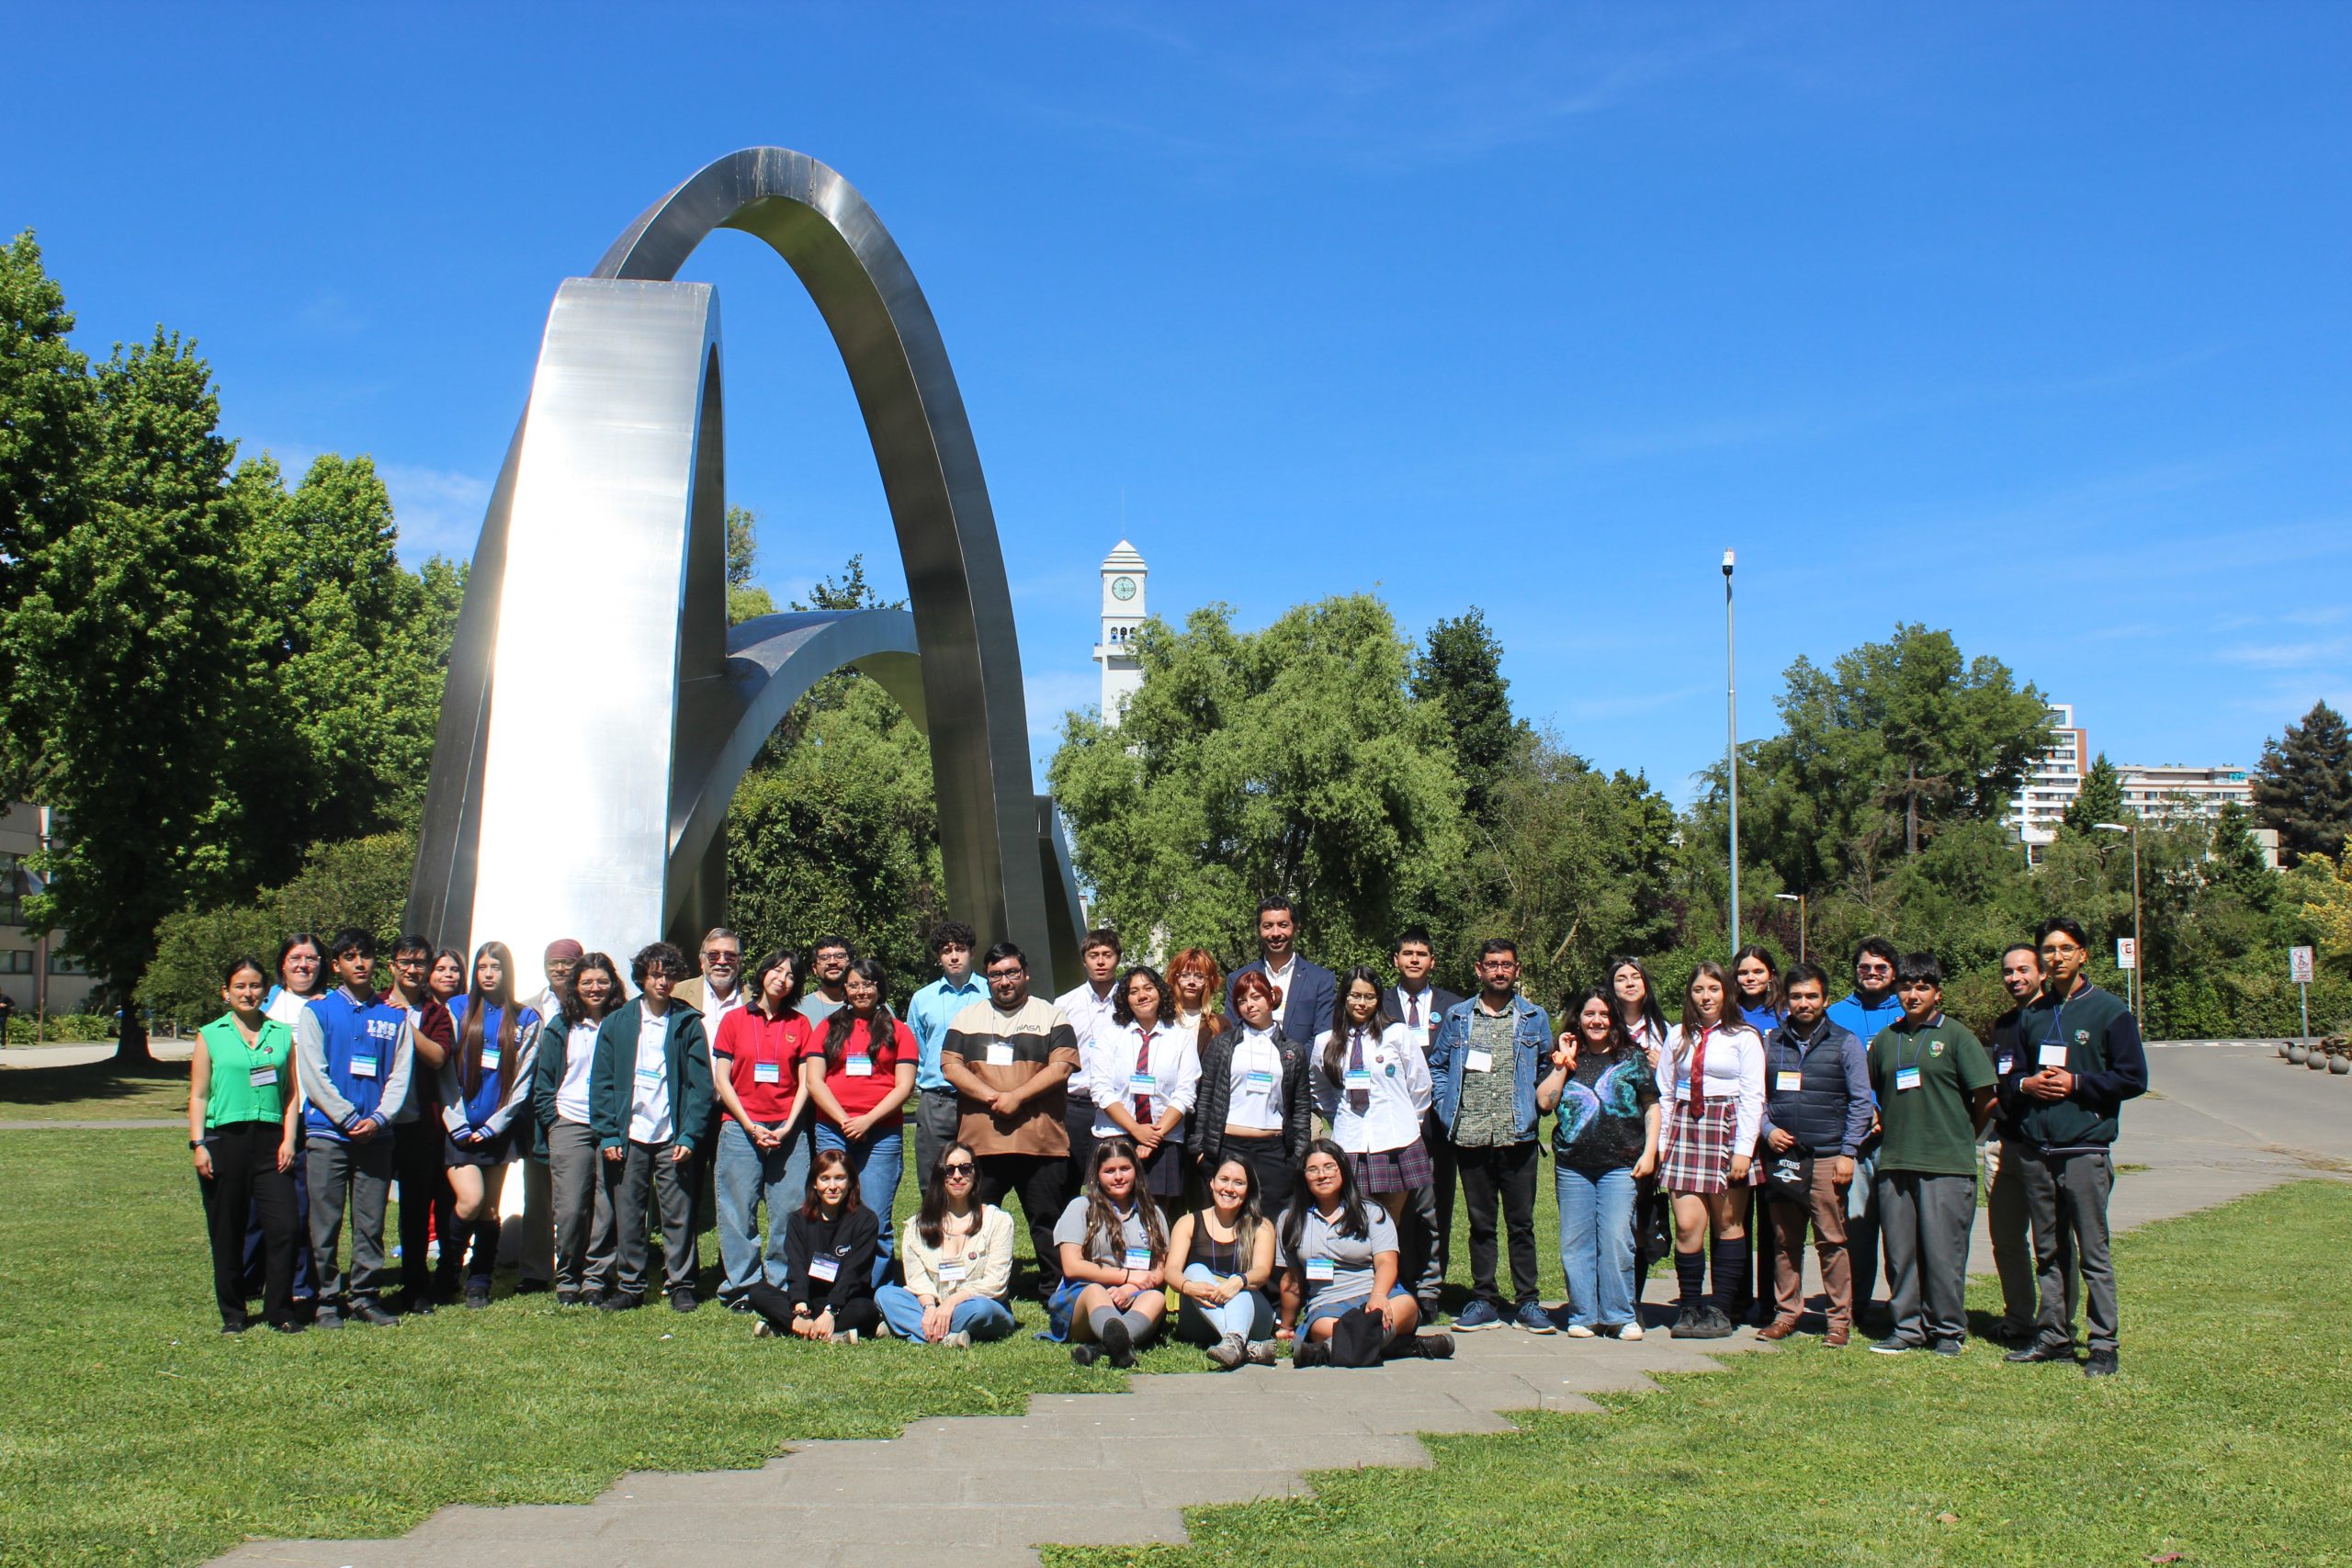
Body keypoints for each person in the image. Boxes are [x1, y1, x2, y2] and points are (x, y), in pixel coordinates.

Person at [2002, 916, 2149, 1378]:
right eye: (2049, 950)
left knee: (2093, 1253)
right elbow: (2010, 1076)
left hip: (2085, 1150)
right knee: (2048, 1251)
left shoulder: (2109, 1011)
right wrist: (2026, 1084)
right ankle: (2054, 1337)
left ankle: (2103, 1344)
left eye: (2066, 949)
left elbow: (2133, 1078)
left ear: (2083, 955)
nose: (2057, 957)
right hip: (2037, 1150)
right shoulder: (2033, 1014)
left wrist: (2078, 1084)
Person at [1867, 953, 1996, 1358]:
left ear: (1937, 993)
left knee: (1943, 1253)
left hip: (1947, 1164)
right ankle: (1907, 1327)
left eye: (1922, 987)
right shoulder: (1885, 1039)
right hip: (1895, 1162)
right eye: (1906, 987)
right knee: (1900, 1252)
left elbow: (1986, 1099)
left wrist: (1962, 1136)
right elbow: (1875, 1095)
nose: (1913, 994)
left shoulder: (1957, 1037)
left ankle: (1947, 1330)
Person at [941, 942, 1081, 1298]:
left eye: (1011, 973)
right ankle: (968, 1289)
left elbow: (1062, 1067)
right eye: (996, 975)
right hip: (982, 1143)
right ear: (987, 978)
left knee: (1048, 1222)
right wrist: (992, 1097)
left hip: (1040, 1142)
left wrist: (1017, 1097)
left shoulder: (1052, 1016)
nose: (1004, 981)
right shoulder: (967, 1017)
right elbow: (950, 1066)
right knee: (973, 1220)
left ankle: (1057, 1292)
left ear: (1026, 974)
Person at [1427, 939, 1553, 1334]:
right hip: (1472, 1135)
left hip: (1518, 1136)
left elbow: (1547, 1068)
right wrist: (1445, 1106)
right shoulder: (1458, 1016)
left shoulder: (1534, 1017)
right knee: (1481, 1225)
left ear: (1517, 970)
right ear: (1479, 969)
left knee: (1521, 1224)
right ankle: (1484, 1300)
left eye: (1507, 965)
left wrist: (1534, 1106)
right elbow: (1438, 1066)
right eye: (1492, 964)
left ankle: (1528, 1303)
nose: (1500, 971)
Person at [294, 928, 415, 1329]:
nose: (359, 963)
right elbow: (313, 1073)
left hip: (376, 1137)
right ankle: (327, 1300)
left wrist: (379, 1118)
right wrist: (346, 1117)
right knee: (324, 1224)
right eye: (349, 957)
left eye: (365, 955)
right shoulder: (317, 1012)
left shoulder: (393, 1016)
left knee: (370, 1223)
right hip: (328, 1134)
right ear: (336, 965)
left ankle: (365, 1296)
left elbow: (400, 1075)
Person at [589, 942, 713, 1313]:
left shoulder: (687, 1022)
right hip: (630, 1134)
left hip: (672, 1134)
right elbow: (602, 1082)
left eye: (669, 974)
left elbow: (700, 1086)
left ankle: (681, 1284)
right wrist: (609, 1133)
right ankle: (630, 1285)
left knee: (678, 1212)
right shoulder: (617, 1023)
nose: (662, 981)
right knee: (629, 1212)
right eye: (655, 974)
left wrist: (690, 1134)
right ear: (642, 977)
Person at [1756, 963, 1871, 1347]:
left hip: (1826, 1156)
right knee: (1784, 1240)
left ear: (1825, 998)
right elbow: (1757, 1097)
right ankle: (1787, 1313)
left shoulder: (1846, 1042)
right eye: (1796, 996)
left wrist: (1848, 1152)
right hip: (1784, 1157)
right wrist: (1767, 1130)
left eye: (1812, 996)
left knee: (1831, 1241)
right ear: (1785, 1000)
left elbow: (1861, 1102)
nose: (1804, 1003)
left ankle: (1838, 1320)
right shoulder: (1771, 1042)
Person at [1538, 987, 1659, 1339]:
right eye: (1590, 1014)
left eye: (1604, 1014)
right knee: (1575, 1243)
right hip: (1573, 1165)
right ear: (1578, 1019)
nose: (1597, 1021)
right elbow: (1544, 1103)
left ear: (1614, 1019)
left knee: (1617, 1239)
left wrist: (1650, 1152)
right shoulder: (1566, 1057)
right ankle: (1583, 1315)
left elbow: (1652, 1106)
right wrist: (1562, 1063)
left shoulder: (1631, 1058)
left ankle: (1619, 1315)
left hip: (1621, 1165)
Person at [190, 956, 303, 1333]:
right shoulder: (211, 1035)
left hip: (271, 1142)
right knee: (228, 1230)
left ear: (266, 991)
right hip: (225, 1140)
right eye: (239, 986)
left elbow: (291, 1094)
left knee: (285, 1227)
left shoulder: (281, 1034)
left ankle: (279, 1311)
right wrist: (198, 1143)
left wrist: (289, 1140)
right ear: (226, 992)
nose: (248, 992)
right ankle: (234, 1313)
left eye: (255, 985)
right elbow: (199, 1095)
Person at [1657, 960, 1765, 1338]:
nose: (1706, 997)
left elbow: (1754, 1096)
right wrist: (1663, 1145)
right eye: (1699, 989)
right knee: (1688, 1226)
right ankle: (1689, 1308)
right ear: (1690, 994)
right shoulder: (1677, 1035)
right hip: (1686, 1128)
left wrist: (1744, 1150)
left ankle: (1720, 1310)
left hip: (1728, 1128)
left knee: (1728, 1223)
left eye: (1714, 989)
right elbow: (1665, 1092)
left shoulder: (1744, 1037)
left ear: (1727, 993)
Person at [1279, 1138, 1450, 1364]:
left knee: (1407, 1307)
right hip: (1328, 1305)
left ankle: (1330, 1350)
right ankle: (1401, 1346)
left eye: (1329, 1167)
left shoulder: (1372, 1212)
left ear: (1343, 1169)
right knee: (1325, 1328)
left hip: (1379, 1295)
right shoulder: (1290, 1220)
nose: (1322, 1175)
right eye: (1313, 1170)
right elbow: (1292, 1278)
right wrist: (1287, 1325)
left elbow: (1386, 1262)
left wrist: (1378, 1296)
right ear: (1303, 1176)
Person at [709, 949, 816, 1310]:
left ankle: (781, 1283)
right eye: (777, 970)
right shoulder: (734, 1020)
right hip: (740, 1128)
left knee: (789, 1209)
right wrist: (748, 1123)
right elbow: (722, 1079)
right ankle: (742, 1286)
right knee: (737, 1209)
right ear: (763, 973)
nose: (782, 979)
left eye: (790, 975)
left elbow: (806, 1082)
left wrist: (788, 1126)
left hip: (788, 1132)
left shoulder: (800, 1024)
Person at [801, 955, 917, 1280]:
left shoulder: (899, 1031)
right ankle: (828, 1284)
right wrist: (844, 1120)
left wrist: (867, 1120)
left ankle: (874, 1289)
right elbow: (814, 1082)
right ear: (845, 990)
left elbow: (904, 1086)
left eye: (867, 984)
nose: (860, 991)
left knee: (875, 1215)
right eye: (853, 985)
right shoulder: (827, 1028)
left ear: (879, 988)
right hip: (832, 1130)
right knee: (830, 1208)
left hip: (881, 1134)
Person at [438, 941, 541, 1308]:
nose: (488, 973)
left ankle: (480, 1280)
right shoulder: (456, 1009)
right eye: (482, 967)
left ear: (506, 972)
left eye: (495, 967)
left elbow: (522, 1082)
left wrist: (495, 1126)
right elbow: (444, 1072)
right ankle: (447, 1272)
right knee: (470, 1201)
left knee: (490, 1210)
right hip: (459, 1128)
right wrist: (456, 1122)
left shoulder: (526, 1018)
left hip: (498, 1130)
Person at [533, 949, 625, 1306]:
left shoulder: (623, 1023)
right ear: (576, 985)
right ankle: (568, 1276)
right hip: (570, 1121)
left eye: (602, 981)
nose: (595, 988)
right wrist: (553, 1120)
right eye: (587, 982)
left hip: (612, 1124)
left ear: (612, 984)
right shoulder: (561, 1026)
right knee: (571, 1208)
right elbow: (544, 1082)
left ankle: (596, 1279)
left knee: (606, 1206)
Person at [1312, 966, 1433, 1226]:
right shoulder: (1325, 1042)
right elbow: (1319, 1088)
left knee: (1389, 1223)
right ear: (1344, 997)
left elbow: (1420, 1083)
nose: (1362, 1003)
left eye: (1369, 997)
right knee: (1353, 1220)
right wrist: (1336, 1116)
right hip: (1350, 1141)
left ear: (1378, 1000)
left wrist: (1410, 1120)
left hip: (1396, 1140)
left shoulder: (1397, 1034)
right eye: (1355, 995)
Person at [1984, 942, 2059, 1344]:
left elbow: (2049, 1081)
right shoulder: (2004, 1024)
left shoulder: (2057, 1018)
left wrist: (2024, 1085)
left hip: (2044, 1148)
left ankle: (2055, 1324)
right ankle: (2018, 1319)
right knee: (2006, 1240)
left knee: (2051, 1243)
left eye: (2023, 970)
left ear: (2042, 973)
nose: (2014, 978)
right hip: (2004, 1144)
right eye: (2008, 971)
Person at [1191, 970, 1314, 1213]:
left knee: (1271, 1223)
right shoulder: (1222, 1045)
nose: (1249, 1005)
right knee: (1227, 1221)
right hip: (1227, 1146)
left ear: (1271, 997)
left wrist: (1298, 1156)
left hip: (1274, 1152)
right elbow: (1205, 1098)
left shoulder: (1293, 1050)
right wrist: (1200, 1150)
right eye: (1242, 1000)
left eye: (1256, 997)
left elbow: (1300, 1107)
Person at [1827, 937, 1905, 1322]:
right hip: (1853, 1141)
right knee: (1855, 1228)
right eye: (1865, 967)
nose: (1872, 973)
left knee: (1900, 1228)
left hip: (1898, 1139)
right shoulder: (1836, 1014)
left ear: (1893, 971)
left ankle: (1904, 1305)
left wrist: (1885, 1113)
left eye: (1881, 967)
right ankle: (1856, 1305)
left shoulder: (1907, 1010)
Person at [380, 934, 458, 1312]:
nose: (412, 969)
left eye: (420, 963)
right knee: (369, 1207)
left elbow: (438, 1056)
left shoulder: (434, 1013)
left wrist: (403, 1023)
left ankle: (417, 1287)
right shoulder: (373, 1004)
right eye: (405, 962)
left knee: (416, 1206)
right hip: (376, 1123)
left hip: (419, 1123)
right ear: (392, 966)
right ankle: (364, 1287)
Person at [875, 1142, 1019, 1346]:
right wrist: (930, 1308)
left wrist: (951, 1302)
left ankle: (909, 1327)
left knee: (980, 1310)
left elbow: (995, 1282)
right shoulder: (917, 1225)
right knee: (885, 1295)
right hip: (931, 1306)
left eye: (965, 1168)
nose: (957, 1176)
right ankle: (947, 1337)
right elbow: (917, 1280)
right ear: (939, 1176)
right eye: (949, 1170)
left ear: (975, 1174)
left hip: (976, 1304)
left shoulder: (999, 1221)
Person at [1389, 926, 1464, 1321]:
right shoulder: (1379, 1003)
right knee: (1395, 1208)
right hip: (1390, 1123)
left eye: (1421, 954)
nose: (1414, 959)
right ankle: (1396, 1279)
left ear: (1432, 961)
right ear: (1396, 960)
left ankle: (1430, 1286)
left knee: (1434, 1207)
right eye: (1408, 953)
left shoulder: (1455, 1007)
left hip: (1438, 1125)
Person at [248, 932, 325, 1310]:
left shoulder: (329, 1004)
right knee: (259, 1205)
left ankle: (300, 1281)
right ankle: (251, 1278)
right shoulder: (267, 1004)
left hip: (313, 1117)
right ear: (283, 963)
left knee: (301, 1206)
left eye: (311, 959)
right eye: (296, 958)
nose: (303, 965)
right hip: (269, 1116)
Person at [1087, 964, 1201, 1208]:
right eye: (1133, 991)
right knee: (1109, 1216)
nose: (1142, 995)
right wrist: (1136, 1130)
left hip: (1163, 1140)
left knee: (1156, 1218)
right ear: (1125, 999)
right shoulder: (1110, 1036)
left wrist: (1153, 1137)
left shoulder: (1180, 1038)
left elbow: (1185, 1094)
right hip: (1114, 1137)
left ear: (1160, 992)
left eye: (1148, 988)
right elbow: (1100, 1089)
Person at [1052, 1138, 1168, 1369]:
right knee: (1096, 1291)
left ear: (1136, 1170)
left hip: (1133, 1295)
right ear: (1097, 1175)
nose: (1118, 1177)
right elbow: (1072, 1266)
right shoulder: (1080, 1207)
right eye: (1109, 1171)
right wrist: (1127, 1276)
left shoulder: (1152, 1213)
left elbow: (1160, 1269)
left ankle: (1103, 1348)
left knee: (1157, 1298)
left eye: (1125, 1168)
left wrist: (1130, 1288)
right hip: (1084, 1297)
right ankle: (1116, 1340)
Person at [748, 1147, 880, 1342]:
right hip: (809, 1301)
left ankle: (785, 1328)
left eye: (839, 1178)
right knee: (757, 1292)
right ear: (814, 1184)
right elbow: (797, 1268)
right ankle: (830, 1334)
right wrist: (801, 1308)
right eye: (825, 1179)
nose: (832, 1186)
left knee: (866, 1310)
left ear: (851, 1182)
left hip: (845, 1302)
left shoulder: (866, 1220)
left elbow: (854, 1273)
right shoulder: (798, 1220)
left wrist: (831, 1311)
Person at [512, 938, 583, 1295]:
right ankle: (535, 1270)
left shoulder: (590, 1007)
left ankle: (577, 1266)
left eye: (567, 962)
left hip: (576, 1111)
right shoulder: (526, 1009)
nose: (559, 968)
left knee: (575, 1198)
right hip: (535, 1112)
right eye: (553, 962)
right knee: (537, 1195)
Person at [1166, 1150, 1279, 1368]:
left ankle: (1234, 1342)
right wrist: (1188, 1287)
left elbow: (1262, 1272)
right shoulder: (1188, 1222)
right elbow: (1171, 1271)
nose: (1229, 1188)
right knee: (1194, 1269)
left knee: (1241, 1288)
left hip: (1252, 1317)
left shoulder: (1261, 1225)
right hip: (1200, 1314)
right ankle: (1244, 1346)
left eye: (1239, 1183)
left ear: (1249, 1190)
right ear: (1212, 1183)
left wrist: (1238, 1281)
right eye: (1224, 1180)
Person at [1607, 955, 1675, 1308]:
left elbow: (1677, 1083)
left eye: (1635, 977)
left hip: (1648, 1137)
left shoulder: (1664, 1030)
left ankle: (1632, 1301)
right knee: (1611, 1224)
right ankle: (1607, 1299)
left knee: (1639, 1221)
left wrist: (1661, 1065)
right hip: (1610, 1135)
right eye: (1622, 978)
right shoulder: (1603, 1025)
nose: (1630, 983)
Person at [1727, 944, 1784, 1324]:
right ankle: (1737, 1299)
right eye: (1744, 972)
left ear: (1771, 975)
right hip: (1738, 1127)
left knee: (1773, 1221)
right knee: (1736, 1219)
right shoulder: (1729, 1014)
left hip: (1777, 1126)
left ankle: (1769, 1302)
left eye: (1757, 971)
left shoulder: (1785, 1013)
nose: (1750, 978)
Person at [906, 920, 986, 1183]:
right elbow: (917, 1049)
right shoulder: (922, 999)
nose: (953, 957)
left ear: (972, 952)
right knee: (933, 1181)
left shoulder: (990, 993)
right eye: (946, 951)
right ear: (938, 956)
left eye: (960, 949)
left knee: (980, 1181)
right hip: (936, 1101)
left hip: (979, 1101)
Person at [1055, 927, 1124, 1200]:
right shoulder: (1065, 1004)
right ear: (1084, 960)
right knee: (1067, 1182)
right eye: (1094, 955)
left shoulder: (1130, 1001)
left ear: (1118, 958)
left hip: (1117, 1105)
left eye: (1107, 954)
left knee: (1113, 1182)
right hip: (1075, 1103)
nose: (1101, 961)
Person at [1226, 897, 1335, 1044]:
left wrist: (1291, 1058)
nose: (1276, 933)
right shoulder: (1237, 979)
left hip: (1303, 1059)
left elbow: (1322, 1038)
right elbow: (1231, 1033)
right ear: (1258, 930)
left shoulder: (1321, 980)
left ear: (1295, 927)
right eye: (1268, 926)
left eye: (1283, 925)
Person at [1165, 947, 1227, 1047]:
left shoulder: (1220, 1024)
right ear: (1175, 979)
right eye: (1185, 975)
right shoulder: (1162, 1020)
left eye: (1199, 976)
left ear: (1208, 981)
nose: (1191, 982)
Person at [802, 936, 854, 1023]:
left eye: (840, 956)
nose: (832, 962)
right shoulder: (800, 1010)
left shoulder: (870, 1007)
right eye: (824, 958)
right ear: (814, 968)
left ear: (852, 964)